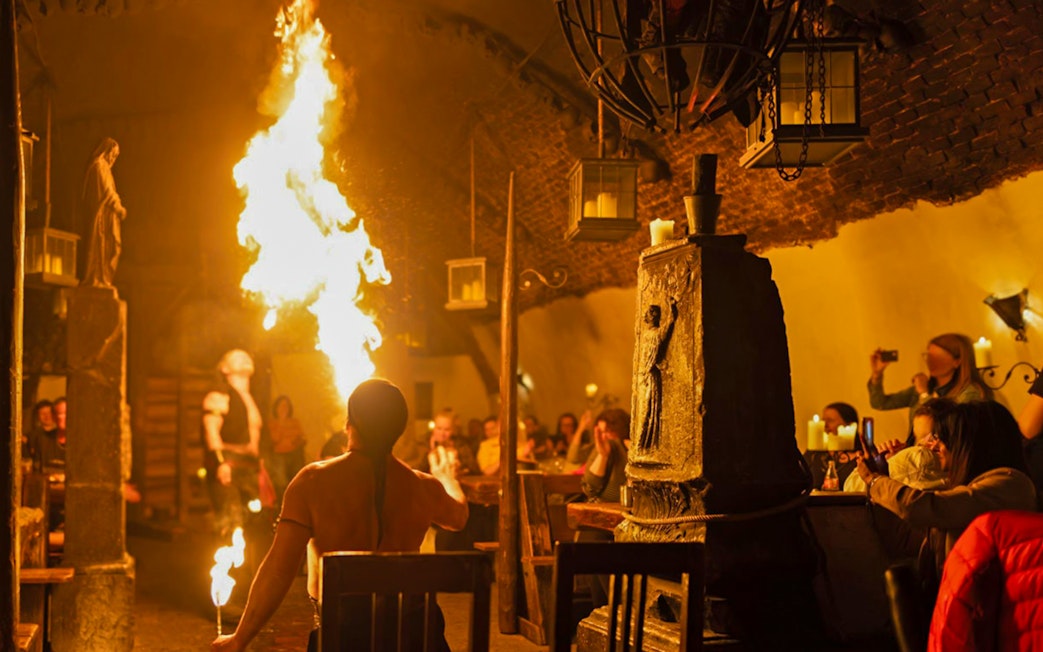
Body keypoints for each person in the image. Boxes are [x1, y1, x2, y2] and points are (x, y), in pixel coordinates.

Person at [210, 378, 468, 652]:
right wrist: (448, 478)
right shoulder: (423, 487)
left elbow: (278, 570)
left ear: (349, 423)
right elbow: (459, 517)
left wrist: (240, 639)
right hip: (417, 639)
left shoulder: (312, 482)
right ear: (399, 429)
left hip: (344, 640)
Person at [856, 400, 1037, 603]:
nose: (934, 446)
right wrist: (882, 483)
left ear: (973, 441)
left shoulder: (1010, 484)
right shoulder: (965, 489)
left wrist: (876, 481)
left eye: (944, 438)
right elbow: (904, 543)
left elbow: (929, 507)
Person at [868, 333, 991, 443]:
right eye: (928, 356)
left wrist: (924, 395)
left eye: (938, 357)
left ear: (957, 362)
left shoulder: (969, 393)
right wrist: (877, 374)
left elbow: (948, 431)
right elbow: (879, 403)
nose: (930, 362)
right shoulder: (926, 387)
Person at [201, 349, 263, 538]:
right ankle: (227, 567)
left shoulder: (249, 399)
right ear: (224, 368)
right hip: (229, 467)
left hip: (249, 469)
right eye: (236, 356)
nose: (244, 357)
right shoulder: (218, 396)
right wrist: (221, 464)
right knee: (231, 523)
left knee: (253, 524)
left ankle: (251, 568)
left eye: (246, 355)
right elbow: (211, 433)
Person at [80, 137, 127, 288]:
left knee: (111, 248)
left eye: (116, 156)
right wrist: (118, 207)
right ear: (107, 151)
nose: (114, 158)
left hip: (109, 216)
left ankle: (103, 278)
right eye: (113, 154)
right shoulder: (99, 166)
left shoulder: (105, 168)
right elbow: (107, 191)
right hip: (103, 216)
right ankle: (98, 278)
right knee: (102, 248)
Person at [581, 408, 630, 504]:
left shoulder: (630, 449)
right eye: (601, 432)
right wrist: (603, 456)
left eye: (607, 431)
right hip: (600, 508)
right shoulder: (600, 448)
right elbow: (589, 489)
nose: (603, 437)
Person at [267, 395, 307, 499]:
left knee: (297, 481)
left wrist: (296, 441)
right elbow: (274, 439)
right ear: (276, 408)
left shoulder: (295, 422)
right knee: (281, 482)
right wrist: (281, 422)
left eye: (286, 406)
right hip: (279, 455)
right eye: (281, 406)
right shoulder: (272, 423)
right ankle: (283, 503)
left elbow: (302, 438)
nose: (284, 408)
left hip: (294, 455)